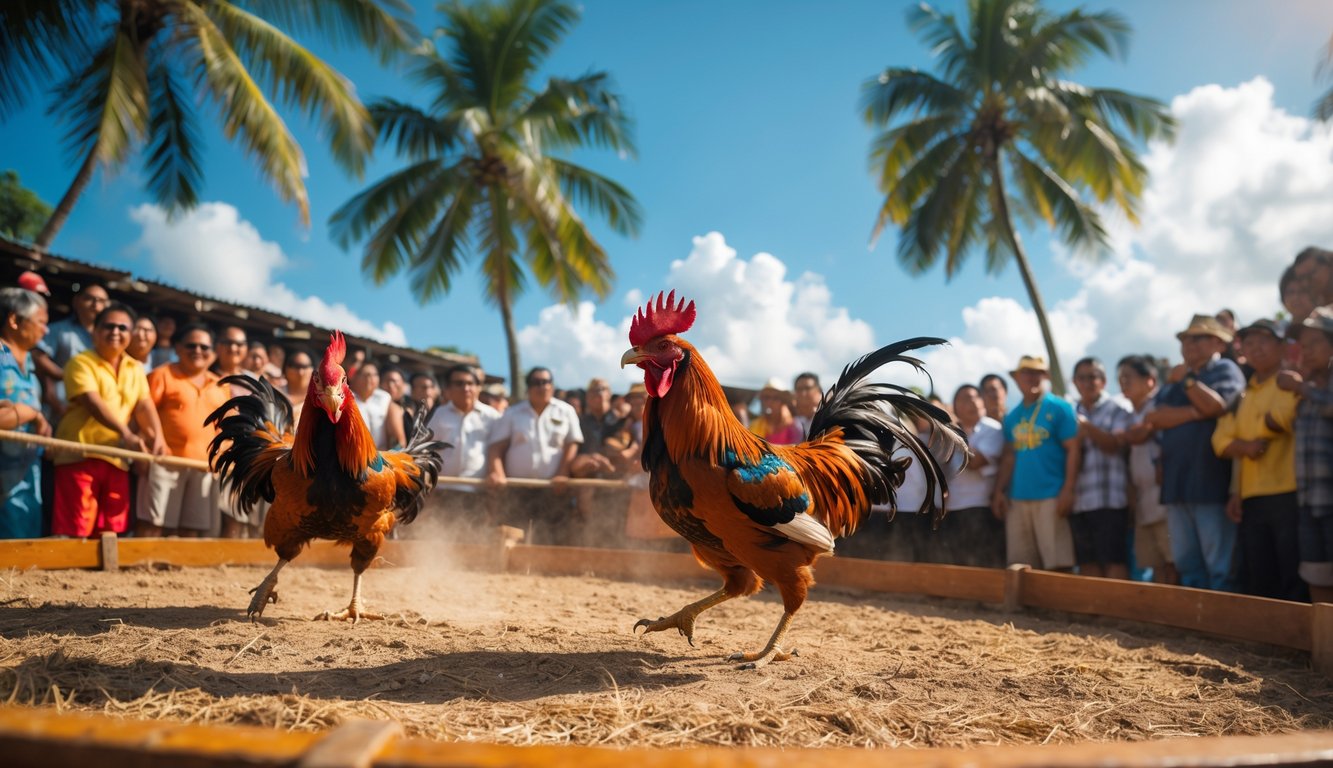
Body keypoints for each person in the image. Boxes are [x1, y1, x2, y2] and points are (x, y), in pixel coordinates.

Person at [1143, 313, 1246, 591]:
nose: (1189, 344)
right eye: (1186, 338)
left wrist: (1188, 383)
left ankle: (1223, 624)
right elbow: (1155, 418)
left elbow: (1216, 407)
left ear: (1218, 343)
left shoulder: (1225, 370)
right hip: (1177, 483)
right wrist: (1195, 411)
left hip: (1212, 481)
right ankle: (1196, 630)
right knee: (1187, 562)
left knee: (1220, 564)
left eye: (1198, 338)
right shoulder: (1175, 379)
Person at [52, 302, 165, 538]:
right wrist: (128, 434)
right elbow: (92, 403)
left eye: (122, 328)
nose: (115, 332)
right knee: (76, 528)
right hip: (80, 453)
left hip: (117, 458)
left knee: (111, 529)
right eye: (109, 326)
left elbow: (144, 405)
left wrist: (159, 437)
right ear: (95, 331)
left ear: (130, 334)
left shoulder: (135, 368)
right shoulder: (80, 362)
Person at [1212, 318, 1304, 601]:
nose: (1256, 348)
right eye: (1249, 343)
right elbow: (1219, 441)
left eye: (1264, 341)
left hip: (1288, 491)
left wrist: (1243, 441)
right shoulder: (1242, 395)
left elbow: (1284, 418)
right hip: (1250, 496)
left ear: (1282, 347)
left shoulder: (1291, 382)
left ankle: (1294, 640)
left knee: (1292, 570)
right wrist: (1246, 445)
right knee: (1259, 572)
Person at [137, 323, 230, 538]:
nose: (198, 350)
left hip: (203, 467)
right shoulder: (161, 375)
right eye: (191, 345)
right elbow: (141, 412)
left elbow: (226, 427)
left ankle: (180, 571)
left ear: (213, 353)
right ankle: (140, 568)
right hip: (164, 462)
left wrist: (222, 452)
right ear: (177, 348)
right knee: (154, 524)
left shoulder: (221, 386)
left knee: (192, 530)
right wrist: (145, 447)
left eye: (204, 347)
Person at [991, 355, 1079, 571]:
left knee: (1057, 561)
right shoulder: (1013, 416)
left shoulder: (1060, 408)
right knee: (1021, 564)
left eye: (1037, 373)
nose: (1032, 377)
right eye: (1026, 373)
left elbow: (1074, 449)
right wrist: (999, 491)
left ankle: (1057, 605)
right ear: (1017, 379)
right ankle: (1027, 606)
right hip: (1018, 498)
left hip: (1051, 495)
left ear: (1045, 376)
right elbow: (1009, 457)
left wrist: (1068, 489)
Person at [486, 367, 583, 545]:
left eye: (545, 382)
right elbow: (496, 447)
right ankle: (513, 572)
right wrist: (497, 472)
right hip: (517, 488)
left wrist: (563, 472)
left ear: (552, 386)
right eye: (536, 383)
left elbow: (572, 444)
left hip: (552, 488)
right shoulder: (512, 413)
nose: (541, 387)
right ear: (528, 388)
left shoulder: (566, 411)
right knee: (515, 535)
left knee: (550, 537)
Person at [1278, 306, 1333, 603]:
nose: (1307, 351)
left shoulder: (1308, 391)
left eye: (1316, 344)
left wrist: (1301, 387)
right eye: (1304, 345)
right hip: (1309, 501)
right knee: (1316, 573)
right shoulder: (1308, 390)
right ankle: (1324, 644)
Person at [1069, 357, 1134, 579]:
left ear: (1104, 381)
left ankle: (1116, 611)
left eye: (1093, 377)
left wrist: (1087, 426)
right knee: (1087, 561)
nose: (1087, 382)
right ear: (1074, 382)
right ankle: (1093, 612)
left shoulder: (1118, 408)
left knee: (1114, 559)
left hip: (1110, 499)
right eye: (1082, 378)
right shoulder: (1070, 412)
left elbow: (1113, 445)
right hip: (1079, 500)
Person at [422, 364, 500, 540]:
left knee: (476, 543)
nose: (466, 388)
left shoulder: (492, 417)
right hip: (444, 491)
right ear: (448, 389)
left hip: (479, 493)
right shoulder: (439, 415)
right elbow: (425, 450)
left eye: (470, 383)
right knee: (441, 541)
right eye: (459, 383)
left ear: (478, 387)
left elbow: (499, 452)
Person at [1118, 355, 1176, 584]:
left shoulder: (1161, 406)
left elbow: (1144, 437)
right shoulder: (1133, 413)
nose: (1123, 383)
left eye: (1128, 377)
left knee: (1172, 561)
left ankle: (1175, 611)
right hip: (1144, 498)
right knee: (1156, 562)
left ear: (1150, 380)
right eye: (1120, 378)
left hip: (1164, 497)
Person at [0, 288, 51, 538]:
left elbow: (29, 410)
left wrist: (38, 418)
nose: (45, 330)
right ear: (14, 320)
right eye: (41, 322)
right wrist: (26, 413)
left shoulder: (30, 365)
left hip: (27, 472)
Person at [937, 384, 1005, 567]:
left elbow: (974, 462)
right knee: (958, 563)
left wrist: (951, 432)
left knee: (984, 563)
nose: (972, 402)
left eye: (975, 397)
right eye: (965, 399)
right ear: (956, 407)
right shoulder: (948, 435)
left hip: (982, 508)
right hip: (953, 509)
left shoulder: (993, 429)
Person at [33, 281, 109, 418]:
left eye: (101, 301)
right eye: (89, 298)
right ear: (76, 301)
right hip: (58, 407)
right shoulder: (59, 330)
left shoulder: (110, 339)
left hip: (95, 414)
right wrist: (67, 376)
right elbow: (38, 356)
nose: (95, 305)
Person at [570, 377, 628, 546]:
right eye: (595, 390)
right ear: (587, 397)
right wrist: (587, 461)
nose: (599, 393)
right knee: (585, 529)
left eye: (603, 389)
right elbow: (573, 454)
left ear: (610, 394)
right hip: (585, 485)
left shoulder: (622, 421)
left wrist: (609, 463)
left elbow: (627, 449)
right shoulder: (579, 422)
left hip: (616, 485)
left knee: (616, 529)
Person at [350, 361, 397, 450]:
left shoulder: (384, 398)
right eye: (366, 375)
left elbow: (395, 435)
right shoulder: (346, 398)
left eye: (374, 375)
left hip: (382, 457)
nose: (370, 378)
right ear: (354, 377)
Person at [749, 377, 802, 445]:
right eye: (766, 397)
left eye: (775, 398)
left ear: (783, 401)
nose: (770, 402)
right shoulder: (755, 425)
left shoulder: (794, 426)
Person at [281, 349, 314, 420]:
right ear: (285, 369)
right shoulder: (275, 395)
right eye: (296, 366)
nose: (300, 372)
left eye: (305, 366)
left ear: (312, 370)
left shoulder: (318, 399)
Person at [793, 372, 822, 439]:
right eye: (799, 389)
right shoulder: (794, 421)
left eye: (807, 388)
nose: (803, 393)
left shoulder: (828, 417)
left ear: (819, 391)